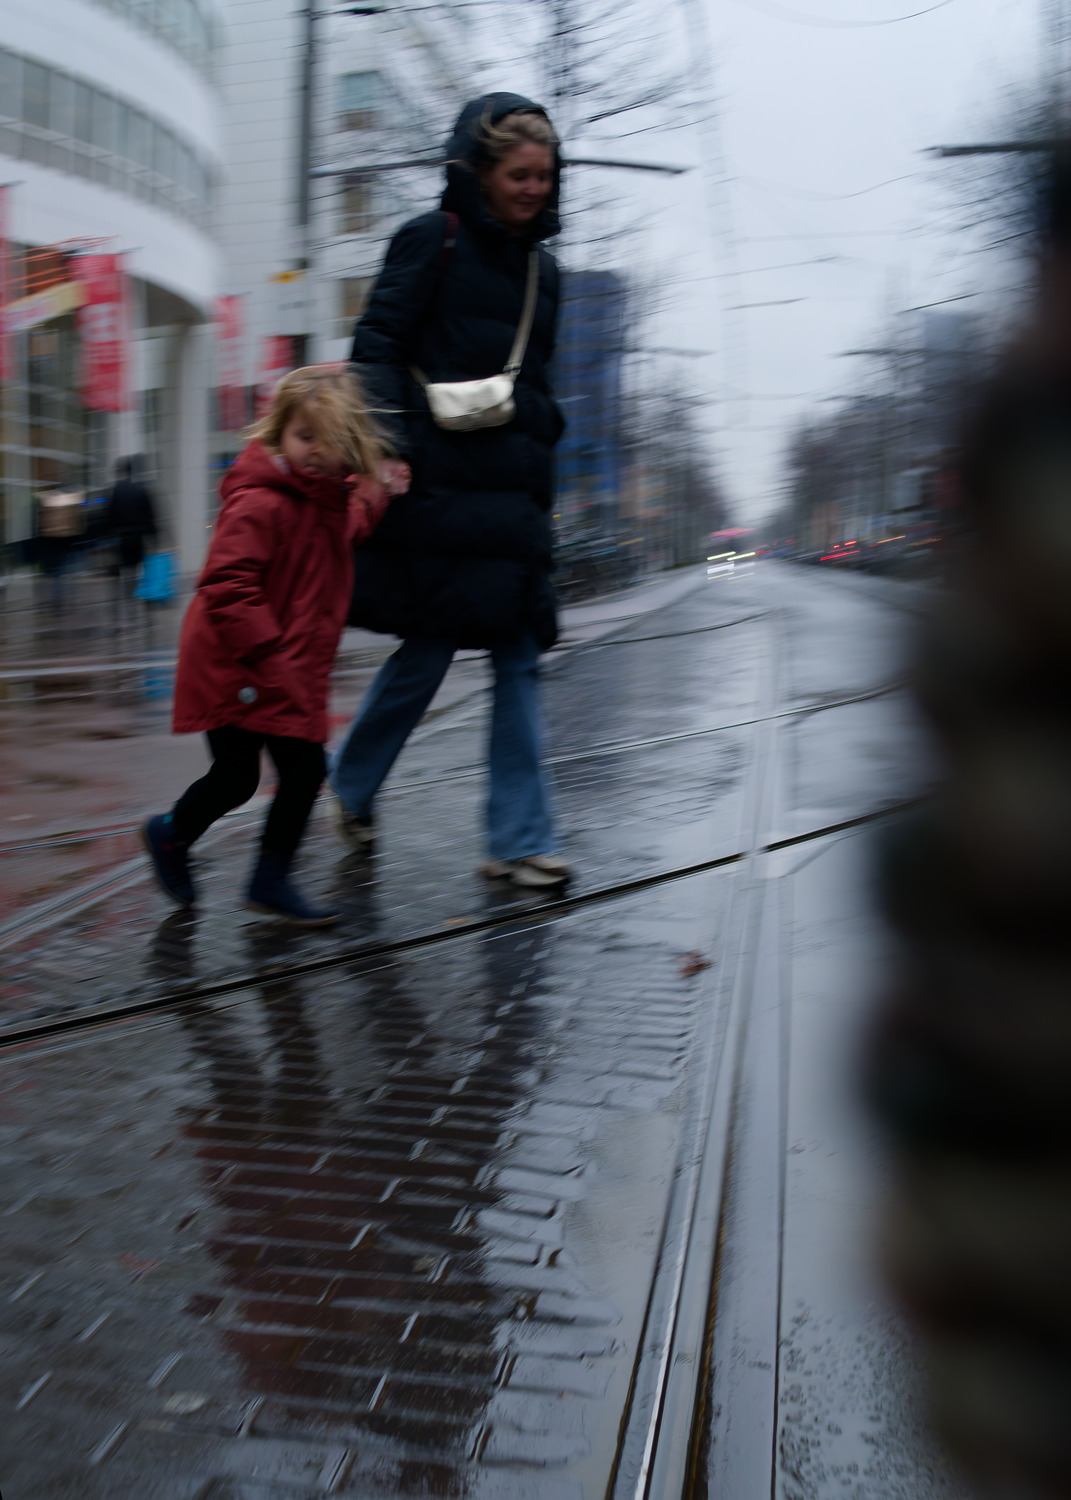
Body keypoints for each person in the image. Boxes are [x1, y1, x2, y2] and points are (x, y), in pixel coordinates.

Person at [331, 92, 572, 891]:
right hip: (436, 489)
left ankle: (517, 840)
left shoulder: (546, 272)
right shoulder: (429, 240)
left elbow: (533, 380)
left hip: (511, 499)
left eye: (544, 175)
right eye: (518, 173)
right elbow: (375, 349)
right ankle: (353, 784)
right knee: (426, 654)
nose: (533, 188)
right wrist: (386, 452)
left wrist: (544, 433)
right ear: (477, 172)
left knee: (519, 659)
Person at [141, 365, 402, 926]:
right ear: (281, 432)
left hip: (281, 668)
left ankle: (263, 877)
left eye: (328, 442)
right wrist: (269, 656)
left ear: (348, 449)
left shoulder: (329, 505)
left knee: (300, 772)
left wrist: (382, 488)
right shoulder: (260, 501)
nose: (313, 451)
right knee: (241, 776)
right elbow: (226, 585)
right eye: (303, 436)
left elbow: (355, 516)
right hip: (236, 663)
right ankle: (173, 836)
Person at [106, 456, 158, 603]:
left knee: (123, 568)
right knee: (136, 569)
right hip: (138, 537)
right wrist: (154, 538)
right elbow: (150, 515)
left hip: (121, 537)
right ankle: (133, 595)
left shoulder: (116, 490)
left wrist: (109, 535)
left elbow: (109, 515)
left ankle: (124, 597)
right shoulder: (141, 489)